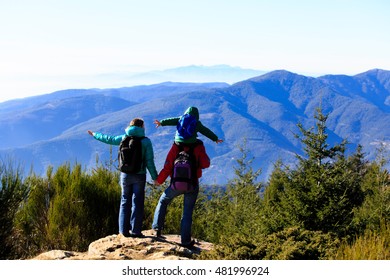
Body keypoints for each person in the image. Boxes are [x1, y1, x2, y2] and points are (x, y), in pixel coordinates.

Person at [152, 106, 222, 248]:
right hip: (192, 184)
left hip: (175, 184)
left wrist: (159, 181)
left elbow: (167, 166)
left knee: (163, 201)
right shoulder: (198, 145)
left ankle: (157, 229)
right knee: (187, 213)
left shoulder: (175, 146)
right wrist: (215, 139)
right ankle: (185, 241)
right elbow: (206, 163)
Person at [87, 118, 158, 238]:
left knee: (125, 201)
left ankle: (123, 231)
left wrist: (95, 134)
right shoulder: (146, 141)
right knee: (138, 202)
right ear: (141, 127)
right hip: (139, 175)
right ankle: (135, 231)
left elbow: (109, 139)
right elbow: (149, 161)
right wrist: (155, 178)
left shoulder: (123, 138)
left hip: (125, 175)